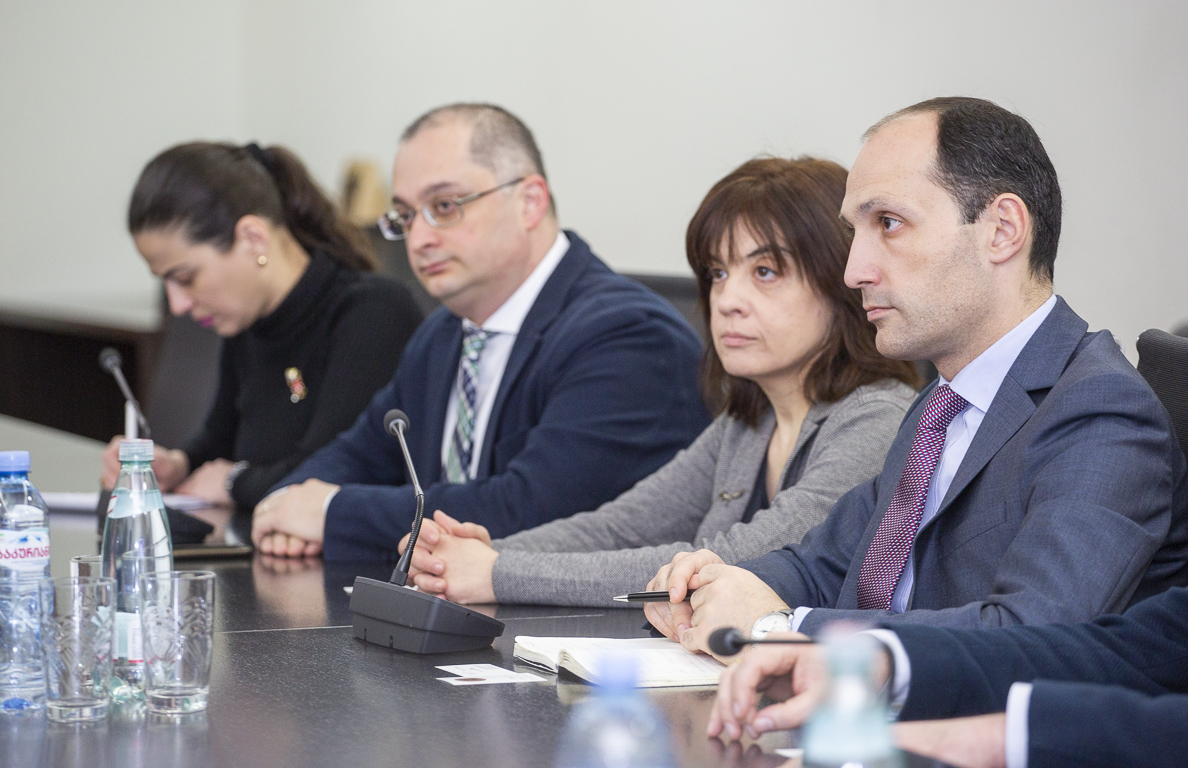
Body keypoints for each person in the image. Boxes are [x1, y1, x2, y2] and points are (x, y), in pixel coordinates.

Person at [645, 96, 1188, 654]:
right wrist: (720, 585)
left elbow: (1033, 635)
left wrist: (782, 628)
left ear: (1002, 230)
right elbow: (823, 566)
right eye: (855, 232)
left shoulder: (1102, 411)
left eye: (889, 223)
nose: (854, 271)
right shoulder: (940, 404)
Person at [395, 157, 920, 607]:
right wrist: (478, 554)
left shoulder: (879, 420)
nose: (727, 300)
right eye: (717, 273)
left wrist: (495, 572)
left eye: (764, 272)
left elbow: (735, 561)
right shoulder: (748, 421)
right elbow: (620, 527)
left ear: (840, 282)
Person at [249, 103, 709, 560]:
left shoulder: (628, 337)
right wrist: (287, 504)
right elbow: (359, 453)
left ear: (530, 202)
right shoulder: (443, 333)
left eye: (444, 206)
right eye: (406, 216)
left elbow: (530, 513)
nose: (419, 239)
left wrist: (329, 512)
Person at [100, 141, 423, 511]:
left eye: (185, 278)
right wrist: (177, 465)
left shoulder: (372, 313)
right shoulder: (249, 321)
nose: (177, 305)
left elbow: (332, 475)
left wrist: (236, 483)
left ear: (253, 239)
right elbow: (220, 444)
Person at [707, 584, 1188, 768]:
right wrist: (882, 662)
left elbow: (1030, 615)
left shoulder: (1100, 409)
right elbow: (1138, 650)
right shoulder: (928, 412)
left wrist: (1000, 740)